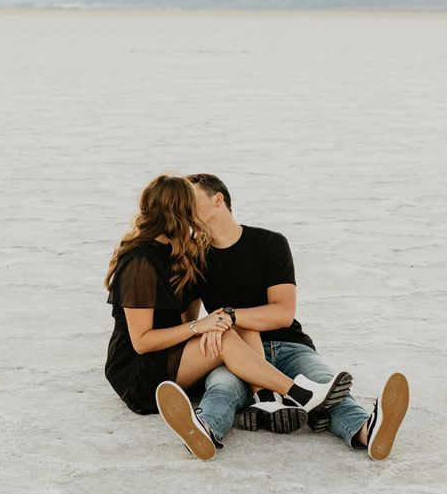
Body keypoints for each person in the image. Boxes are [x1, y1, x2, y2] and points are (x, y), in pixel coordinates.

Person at [104, 174, 352, 461]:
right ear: (177, 211)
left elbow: (185, 319)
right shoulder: (140, 263)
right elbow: (142, 343)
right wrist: (200, 327)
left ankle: (267, 399)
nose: (195, 214)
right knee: (222, 328)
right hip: (137, 371)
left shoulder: (174, 253)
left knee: (229, 318)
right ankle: (302, 395)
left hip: (168, 356)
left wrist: (208, 327)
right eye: (190, 206)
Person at [166, 173, 407, 463]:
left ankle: (368, 431)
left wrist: (230, 316)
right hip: (232, 352)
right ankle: (203, 429)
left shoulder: (270, 244)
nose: (183, 207)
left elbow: (282, 313)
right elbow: (188, 321)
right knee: (222, 388)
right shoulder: (194, 257)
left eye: (190, 199)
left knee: (324, 383)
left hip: (288, 344)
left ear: (218, 200)